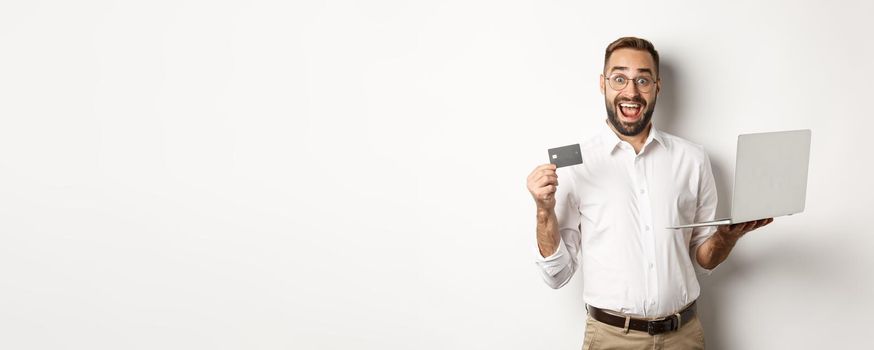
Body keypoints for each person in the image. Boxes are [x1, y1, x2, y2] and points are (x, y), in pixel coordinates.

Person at [526, 37, 773, 350]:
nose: (631, 91)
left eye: (642, 80)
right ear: (603, 84)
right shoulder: (575, 165)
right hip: (611, 340)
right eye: (619, 78)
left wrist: (727, 237)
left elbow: (703, 260)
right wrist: (543, 211)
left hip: (684, 336)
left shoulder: (693, 159)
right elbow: (556, 275)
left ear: (658, 86)